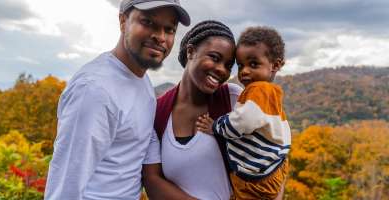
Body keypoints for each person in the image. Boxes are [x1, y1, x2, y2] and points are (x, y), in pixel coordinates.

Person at [44, 0, 191, 199]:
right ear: (123, 21)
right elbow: (65, 188)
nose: (160, 37)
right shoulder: (94, 90)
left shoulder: (142, 82)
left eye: (170, 29)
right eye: (148, 23)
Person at [142, 20, 242, 200]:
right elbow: (151, 179)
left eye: (228, 65)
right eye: (214, 57)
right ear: (190, 51)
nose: (222, 70)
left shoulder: (233, 99)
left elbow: (275, 152)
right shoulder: (158, 111)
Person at [196, 26, 290, 200]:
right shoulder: (271, 93)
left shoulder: (258, 90)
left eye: (253, 64)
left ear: (275, 65)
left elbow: (242, 122)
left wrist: (215, 126)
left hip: (256, 178)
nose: (245, 71)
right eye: (240, 66)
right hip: (273, 167)